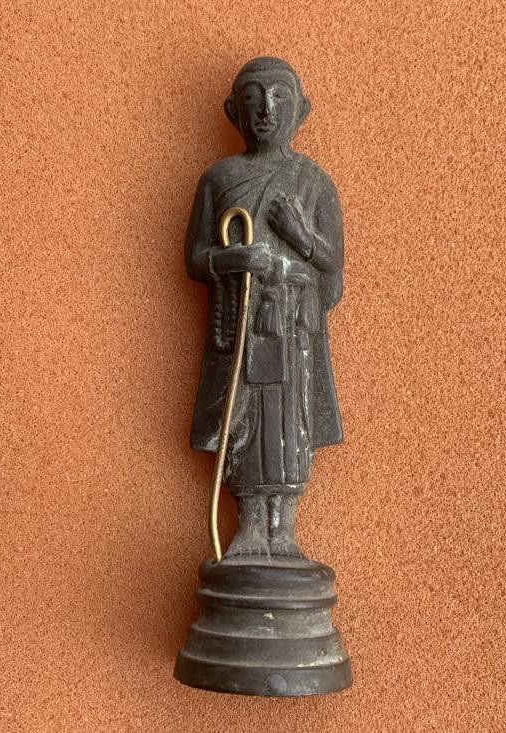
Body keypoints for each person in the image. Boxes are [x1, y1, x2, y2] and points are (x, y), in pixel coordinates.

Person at [185, 56, 344, 558]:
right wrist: (232, 259)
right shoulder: (219, 179)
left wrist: (300, 238)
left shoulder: (314, 182)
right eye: (253, 99)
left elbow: (333, 270)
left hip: (292, 325)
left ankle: (285, 527)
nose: (266, 111)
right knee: (246, 417)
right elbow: (195, 258)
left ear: (302, 110)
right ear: (234, 111)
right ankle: (252, 525)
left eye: (279, 98)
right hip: (242, 322)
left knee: (290, 419)